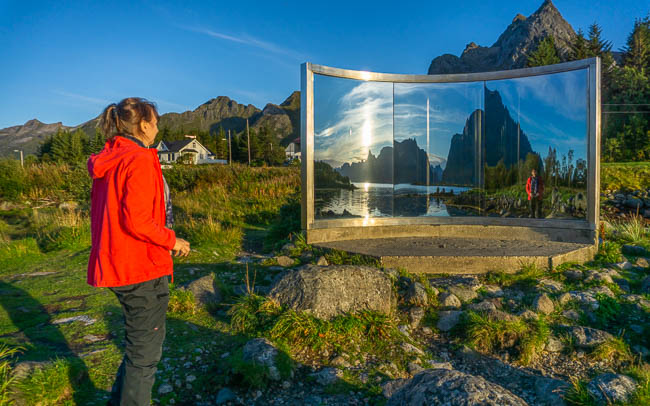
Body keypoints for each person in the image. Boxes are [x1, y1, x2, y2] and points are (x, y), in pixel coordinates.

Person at [87, 97, 191, 405]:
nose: (158, 128)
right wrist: (174, 241)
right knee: (145, 356)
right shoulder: (141, 159)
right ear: (143, 125)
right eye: (156, 122)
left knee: (137, 348)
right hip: (140, 267)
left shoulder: (111, 158)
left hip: (116, 265)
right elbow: (138, 220)